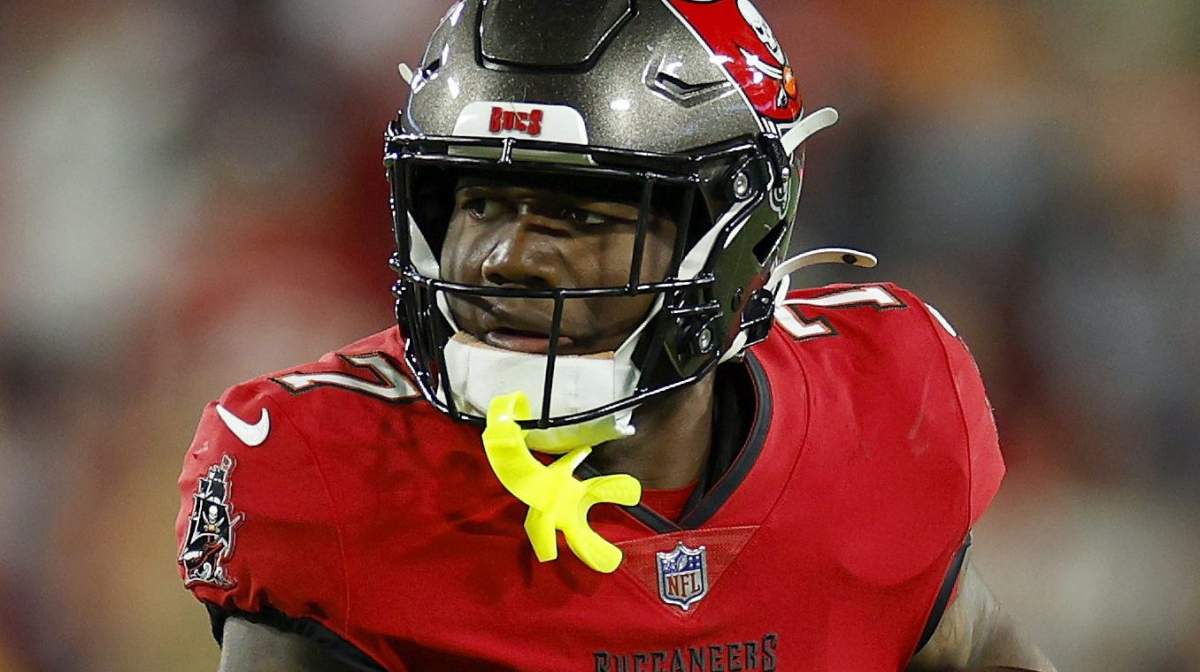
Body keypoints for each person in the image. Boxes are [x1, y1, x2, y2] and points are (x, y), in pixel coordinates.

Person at [175, 1, 1056, 670]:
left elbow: (975, 645)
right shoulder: (329, 470)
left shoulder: (881, 401)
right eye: (481, 202)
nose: (505, 259)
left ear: (737, 235)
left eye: (578, 215)